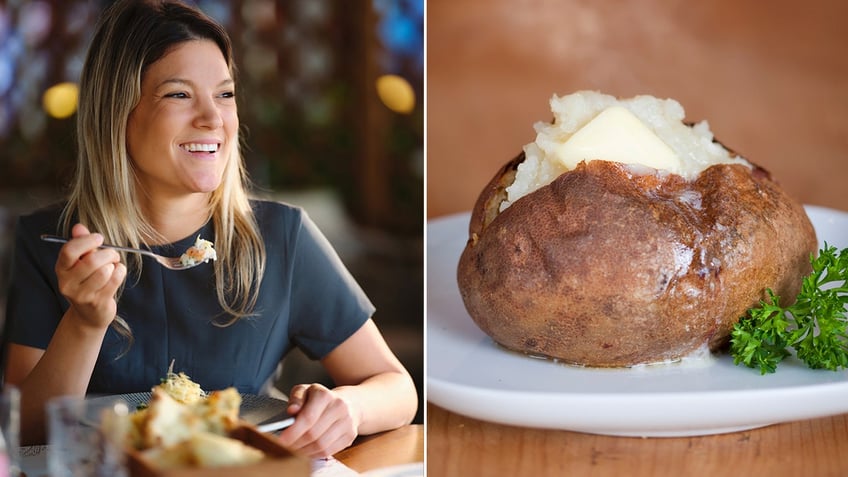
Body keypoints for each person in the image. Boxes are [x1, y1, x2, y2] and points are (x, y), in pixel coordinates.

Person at [2, 0, 417, 455]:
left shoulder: (282, 237)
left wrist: (348, 408)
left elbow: (397, 387)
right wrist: (84, 323)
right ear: (117, 113)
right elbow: (27, 434)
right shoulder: (51, 243)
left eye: (224, 94)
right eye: (179, 94)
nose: (213, 118)